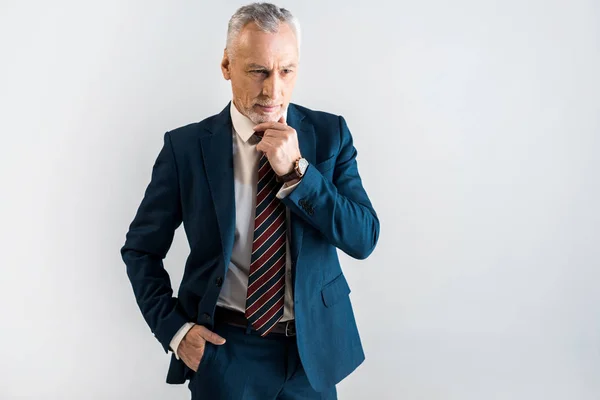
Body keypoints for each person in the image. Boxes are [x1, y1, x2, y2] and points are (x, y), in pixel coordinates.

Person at [120, 2, 380, 399]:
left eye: (286, 71)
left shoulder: (331, 136)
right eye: (258, 70)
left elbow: (363, 238)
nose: (272, 90)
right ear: (227, 66)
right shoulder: (186, 148)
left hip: (311, 356)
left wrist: (299, 172)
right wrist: (175, 331)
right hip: (226, 354)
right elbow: (140, 250)